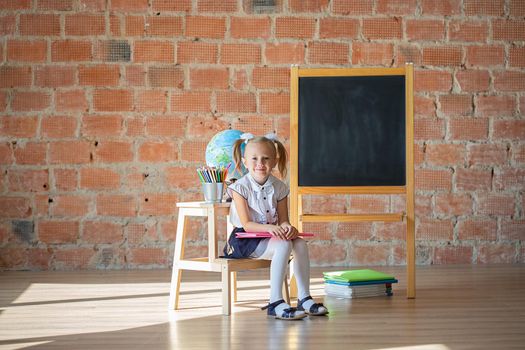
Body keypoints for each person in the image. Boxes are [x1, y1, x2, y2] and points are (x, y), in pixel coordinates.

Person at [222, 132, 328, 320]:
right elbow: (247, 225)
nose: (260, 163)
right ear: (245, 162)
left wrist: (288, 228)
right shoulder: (239, 187)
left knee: (300, 244)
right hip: (244, 240)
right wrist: (272, 230)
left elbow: (283, 220)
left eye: (265, 158)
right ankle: (275, 302)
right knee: (283, 244)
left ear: (274, 161)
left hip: (271, 235)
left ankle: (304, 297)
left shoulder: (279, 187)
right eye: (254, 158)